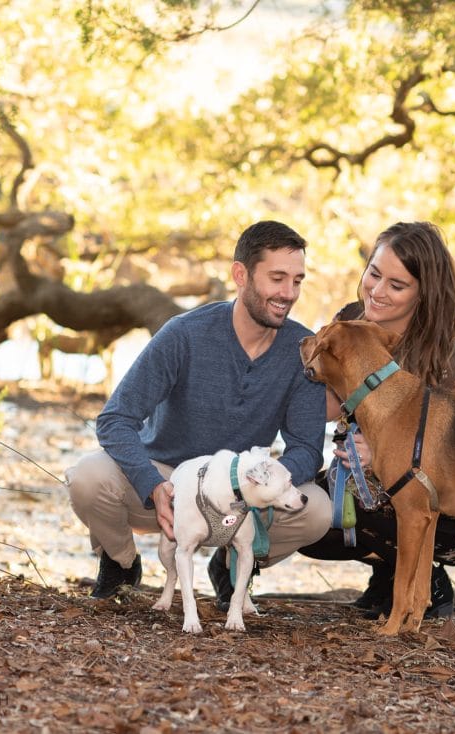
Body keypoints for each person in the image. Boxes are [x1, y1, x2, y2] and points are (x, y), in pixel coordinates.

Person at [66, 220, 331, 603]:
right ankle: (121, 561)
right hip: (167, 486)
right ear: (240, 274)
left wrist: (263, 484)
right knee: (87, 478)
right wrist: (151, 485)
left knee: (318, 511)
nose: (288, 293)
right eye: (277, 278)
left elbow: (306, 447)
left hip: (238, 498)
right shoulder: (185, 334)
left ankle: (232, 563)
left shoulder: (302, 349)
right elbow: (115, 419)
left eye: (297, 280)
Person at [299, 221, 455, 619]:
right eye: (374, 274)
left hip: (453, 499)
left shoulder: (449, 360)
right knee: (309, 518)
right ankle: (388, 570)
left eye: (397, 285)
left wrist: (384, 452)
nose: (377, 291)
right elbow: (327, 399)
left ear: (422, 293)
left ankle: (426, 579)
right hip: (359, 482)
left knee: (395, 493)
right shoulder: (351, 320)